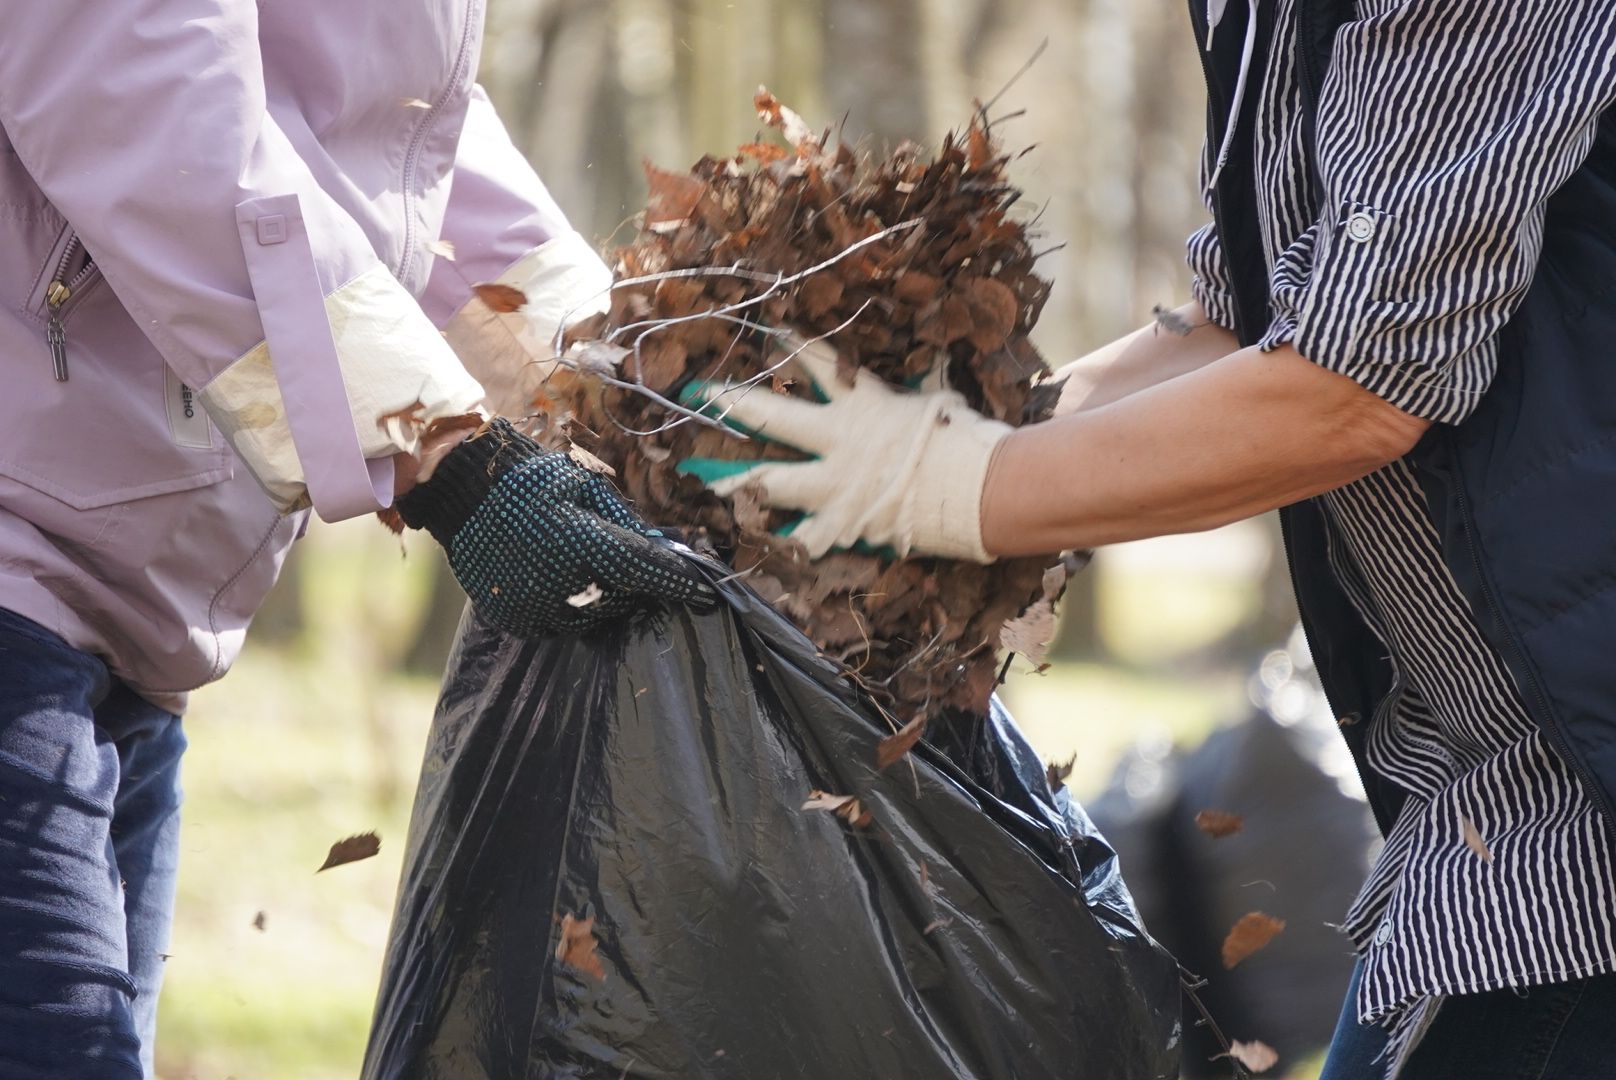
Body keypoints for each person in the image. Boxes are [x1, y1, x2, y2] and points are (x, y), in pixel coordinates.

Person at [683, 2, 1616, 1077]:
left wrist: (954, 486)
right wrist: (982, 434)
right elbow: (1251, 321)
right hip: (1487, 809)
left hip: (1577, 809)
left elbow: (1355, 385)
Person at [0, 4, 712, 1076]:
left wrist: (637, 372)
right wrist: (435, 451)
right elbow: (146, 98)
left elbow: (386, 142)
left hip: (120, 625)